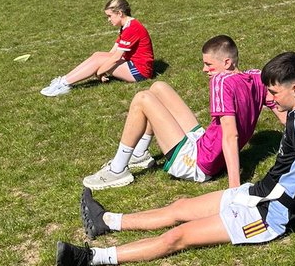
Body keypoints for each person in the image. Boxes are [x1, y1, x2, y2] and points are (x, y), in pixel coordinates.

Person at [57, 52, 295, 266]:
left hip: (265, 216)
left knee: (178, 236)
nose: (271, 98)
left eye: (274, 92)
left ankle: (92, 258)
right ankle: (107, 221)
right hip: (256, 193)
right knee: (179, 207)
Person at [81, 35, 280, 191]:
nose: (204, 69)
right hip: (206, 145)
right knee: (158, 87)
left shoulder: (220, 82)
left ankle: (118, 169)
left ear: (227, 63)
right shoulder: (256, 77)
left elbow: (231, 135)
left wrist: (234, 187)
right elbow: (278, 106)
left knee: (142, 99)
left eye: (209, 64)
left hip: (198, 163)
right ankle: (140, 154)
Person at [41, 0, 154, 97]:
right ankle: (63, 81)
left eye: (109, 16)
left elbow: (115, 58)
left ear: (120, 13)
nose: (108, 20)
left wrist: (99, 71)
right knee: (97, 55)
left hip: (140, 71)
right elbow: (113, 52)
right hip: (131, 63)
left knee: (100, 59)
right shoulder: (126, 26)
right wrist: (102, 68)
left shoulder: (131, 28)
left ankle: (63, 85)